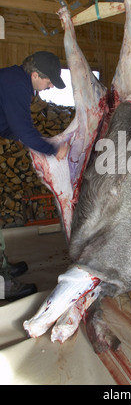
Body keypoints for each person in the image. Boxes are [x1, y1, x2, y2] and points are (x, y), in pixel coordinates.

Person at [0, 51, 68, 301]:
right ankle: (2, 286)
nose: (50, 86)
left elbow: (8, 125)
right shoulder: (17, 84)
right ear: (35, 74)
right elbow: (24, 129)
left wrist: (27, 140)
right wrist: (53, 149)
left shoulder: (12, 81)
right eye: (48, 81)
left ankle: (2, 267)